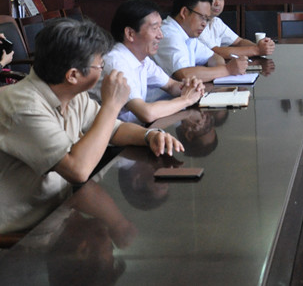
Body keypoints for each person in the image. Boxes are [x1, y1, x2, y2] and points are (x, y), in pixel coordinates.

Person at [0, 18, 184, 234]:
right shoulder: (24, 107)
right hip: (27, 232)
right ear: (73, 75)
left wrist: (150, 136)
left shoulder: (70, 93)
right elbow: (77, 170)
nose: (103, 71)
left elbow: (114, 129)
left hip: (62, 212)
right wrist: (112, 105)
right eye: (100, 66)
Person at [90, 0, 205, 124]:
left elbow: (171, 86)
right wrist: (186, 100)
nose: (160, 35)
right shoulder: (115, 63)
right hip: (113, 134)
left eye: (160, 28)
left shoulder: (142, 59)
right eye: (155, 28)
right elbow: (146, 113)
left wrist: (192, 87)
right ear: (130, 34)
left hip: (133, 129)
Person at [152, 0, 248, 82]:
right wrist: (227, 70)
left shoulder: (188, 34)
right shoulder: (168, 34)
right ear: (184, 12)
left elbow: (214, 57)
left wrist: (220, 71)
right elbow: (185, 75)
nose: (204, 24)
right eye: (202, 17)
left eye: (207, 19)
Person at [195, 0, 275, 59]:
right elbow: (216, 52)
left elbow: (239, 41)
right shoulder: (196, 24)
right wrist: (257, 50)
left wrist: (261, 47)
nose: (217, 3)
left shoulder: (216, 21)